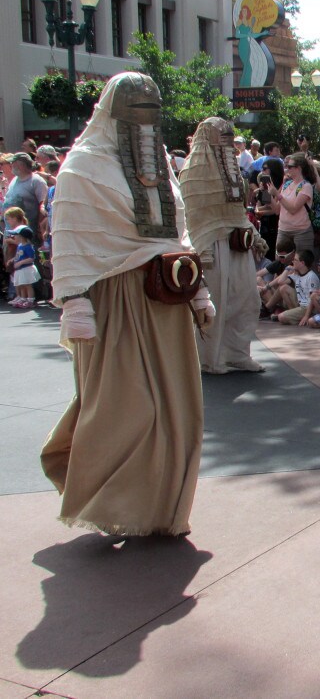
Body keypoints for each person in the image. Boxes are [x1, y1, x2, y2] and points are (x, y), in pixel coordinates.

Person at [40, 72, 213, 537]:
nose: (145, 119)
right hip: (113, 304)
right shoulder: (81, 165)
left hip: (165, 301)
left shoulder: (160, 166)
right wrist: (74, 302)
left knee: (178, 410)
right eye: (137, 109)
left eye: (152, 111)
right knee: (125, 411)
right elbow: (71, 238)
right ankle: (109, 503)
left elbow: (180, 232)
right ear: (112, 111)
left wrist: (198, 292)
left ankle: (160, 511)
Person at [178, 116, 264, 374]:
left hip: (237, 241)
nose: (227, 144)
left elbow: (238, 210)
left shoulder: (234, 169)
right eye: (222, 139)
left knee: (248, 298)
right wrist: (199, 248)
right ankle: (209, 359)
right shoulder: (192, 171)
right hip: (211, 244)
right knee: (215, 304)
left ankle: (238, 353)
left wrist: (254, 237)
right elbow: (192, 214)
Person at [270, 153, 316, 255]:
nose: (286, 169)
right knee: (280, 262)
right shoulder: (286, 185)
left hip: (301, 231)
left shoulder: (306, 186)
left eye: (289, 166)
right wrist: (269, 194)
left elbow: (293, 209)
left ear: (299, 168)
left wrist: (277, 194)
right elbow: (277, 210)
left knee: (302, 264)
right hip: (283, 229)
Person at [265, 249, 319, 324]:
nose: (293, 261)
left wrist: (306, 316)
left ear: (302, 263)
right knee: (283, 288)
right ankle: (292, 313)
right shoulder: (297, 274)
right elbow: (280, 282)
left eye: (295, 260)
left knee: (281, 317)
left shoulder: (311, 277)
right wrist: (287, 269)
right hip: (300, 304)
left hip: (308, 307)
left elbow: (313, 299)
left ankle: (304, 317)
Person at [2, 152, 48, 238]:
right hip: (10, 233)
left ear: (21, 164)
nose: (11, 165)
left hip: (27, 234)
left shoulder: (37, 181)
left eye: (13, 162)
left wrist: (38, 228)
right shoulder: (14, 180)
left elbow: (43, 206)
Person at [8, 225, 41, 307]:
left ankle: (30, 300)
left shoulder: (28, 246)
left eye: (15, 235)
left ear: (22, 236)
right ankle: (23, 298)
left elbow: (31, 258)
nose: (13, 236)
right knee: (22, 284)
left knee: (28, 285)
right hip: (20, 269)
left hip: (26, 269)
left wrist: (21, 262)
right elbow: (18, 255)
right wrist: (12, 260)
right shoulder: (20, 246)